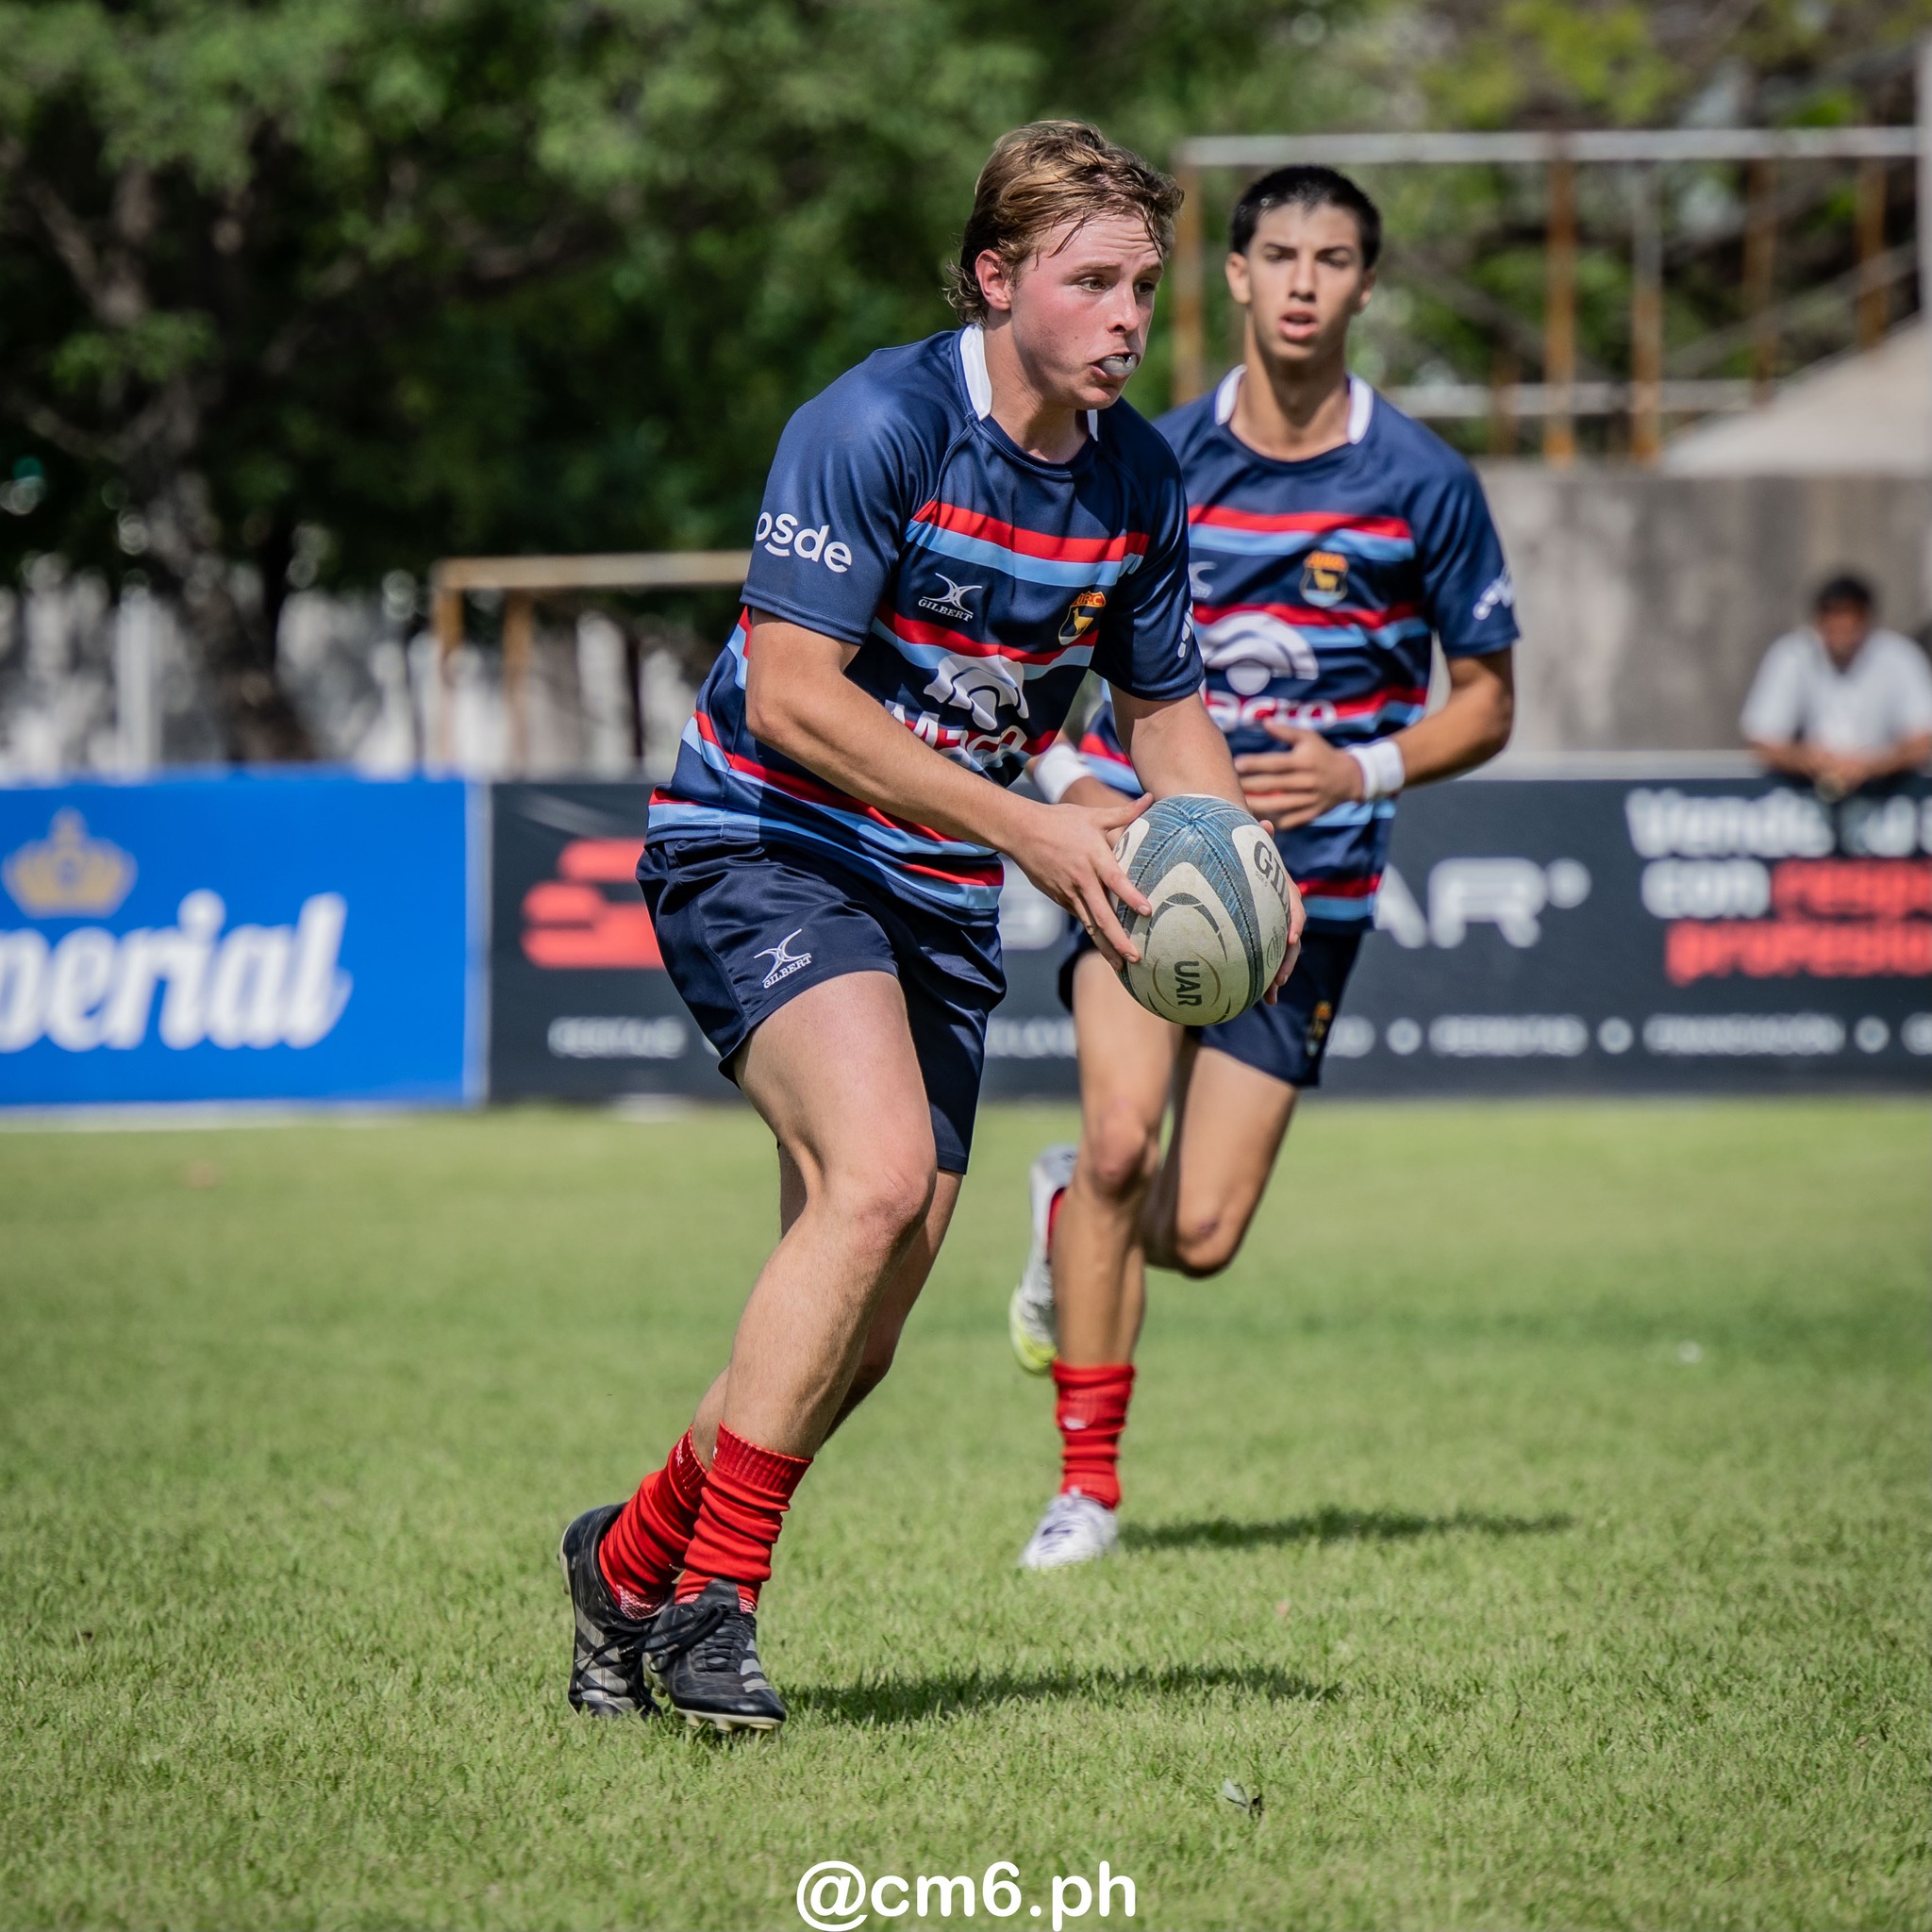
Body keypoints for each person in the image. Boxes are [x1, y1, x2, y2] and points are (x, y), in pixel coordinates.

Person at [558, 122, 1303, 1731]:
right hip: (766, 837)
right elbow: (797, 697)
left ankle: (622, 1561)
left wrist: (1233, 867)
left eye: (1140, 287)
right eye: (1087, 282)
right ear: (995, 278)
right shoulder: (874, 422)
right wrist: (1035, 821)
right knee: (878, 1176)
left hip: (936, 887)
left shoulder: (1135, 479)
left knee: (865, 1318)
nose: (1123, 317)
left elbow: (1165, 717)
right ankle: (712, 1611)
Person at [1007, 164, 1518, 1571]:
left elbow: (1488, 697)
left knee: (1207, 1229)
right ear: (1232, 276)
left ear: (1364, 284)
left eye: (1334, 259)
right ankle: (1086, 1493)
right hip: (1146, 875)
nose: (1302, 281)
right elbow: (1037, 678)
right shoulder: (1143, 459)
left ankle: (1065, 1215)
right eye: (1277, 254)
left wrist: (1367, 769)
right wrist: (1073, 789)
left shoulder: (1423, 480)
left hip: (1314, 903)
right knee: (1122, 1146)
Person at [1740, 574, 1932, 799]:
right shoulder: (1792, 654)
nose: (1842, 629)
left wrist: (1873, 765)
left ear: (1867, 620)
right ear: (1818, 621)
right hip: (1802, 801)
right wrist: (1805, 758)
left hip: (1888, 798)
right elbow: (1763, 737)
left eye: (1851, 620)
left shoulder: (1898, 655)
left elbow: (1924, 738)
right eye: (1834, 618)